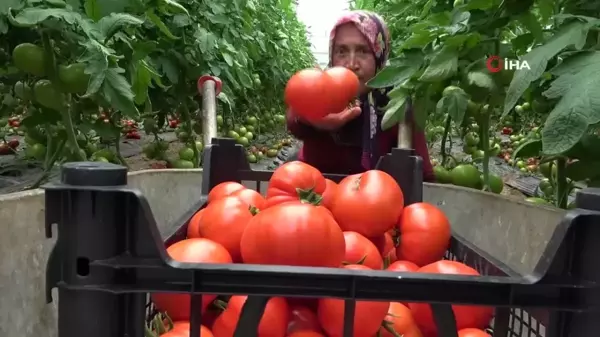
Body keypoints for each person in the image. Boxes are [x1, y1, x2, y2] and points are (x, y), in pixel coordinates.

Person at [286, 10, 434, 181]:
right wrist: (312, 119)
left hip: (373, 201)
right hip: (314, 192)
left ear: (379, 56)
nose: (351, 64)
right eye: (341, 51)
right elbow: (294, 122)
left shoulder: (397, 102)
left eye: (363, 51)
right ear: (332, 56)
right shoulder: (321, 88)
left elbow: (423, 175)